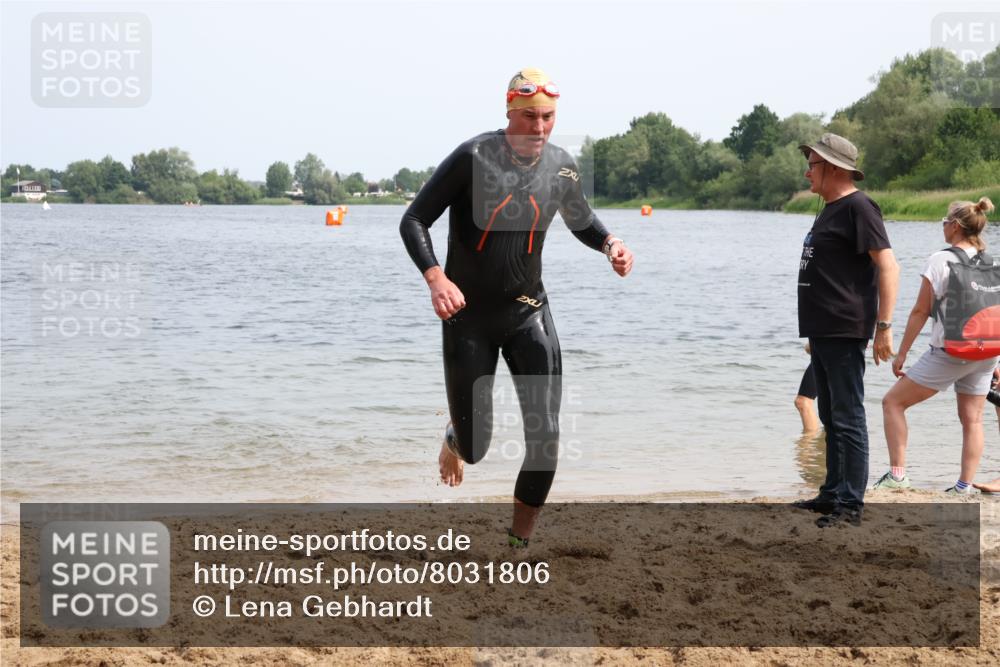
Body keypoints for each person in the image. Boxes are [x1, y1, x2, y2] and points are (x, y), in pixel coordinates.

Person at [399, 68, 634, 547]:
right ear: (509, 111)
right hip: (468, 317)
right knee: (476, 447)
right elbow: (414, 219)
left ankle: (517, 544)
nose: (540, 127)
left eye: (548, 116)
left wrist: (610, 243)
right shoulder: (473, 157)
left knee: (545, 438)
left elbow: (582, 219)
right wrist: (435, 277)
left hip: (528, 311)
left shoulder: (563, 167)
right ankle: (453, 437)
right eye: (529, 116)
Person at [791, 133, 900, 527]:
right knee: (829, 413)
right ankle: (832, 492)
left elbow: (889, 266)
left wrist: (884, 326)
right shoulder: (830, 208)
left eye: (813, 164)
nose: (807, 171)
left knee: (848, 414)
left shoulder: (859, 207)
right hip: (824, 329)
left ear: (835, 167)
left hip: (845, 326)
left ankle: (851, 504)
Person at [876, 198, 997, 495]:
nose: (942, 225)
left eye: (945, 221)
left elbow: (920, 311)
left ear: (955, 226)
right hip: (988, 352)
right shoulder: (991, 261)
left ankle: (898, 475)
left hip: (951, 351)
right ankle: (963, 486)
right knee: (973, 419)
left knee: (893, 403)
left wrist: (901, 352)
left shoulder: (940, 260)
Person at [795, 345, 820, 433]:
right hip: (844, 346)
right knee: (832, 405)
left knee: (803, 402)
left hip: (830, 346)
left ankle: (808, 444)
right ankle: (820, 444)